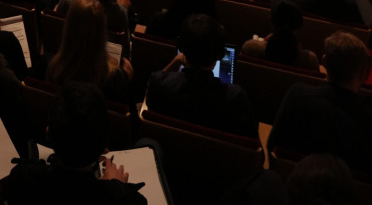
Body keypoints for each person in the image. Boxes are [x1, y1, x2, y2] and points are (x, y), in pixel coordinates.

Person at [3, 82, 144, 203]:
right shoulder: (128, 200)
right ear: (104, 148)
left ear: (48, 134)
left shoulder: (21, 179)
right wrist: (115, 187)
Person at [268, 31, 372, 175]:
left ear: (324, 62)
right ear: (364, 74)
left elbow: (271, 146)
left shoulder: (297, 95)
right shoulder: (367, 123)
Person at [146, 14, 258, 138]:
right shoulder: (236, 98)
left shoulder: (160, 83)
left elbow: (151, 100)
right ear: (220, 54)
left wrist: (175, 62)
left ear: (180, 46)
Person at [46, 0, 133, 103]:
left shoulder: (49, 66)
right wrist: (126, 80)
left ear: (67, 26)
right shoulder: (115, 79)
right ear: (102, 33)